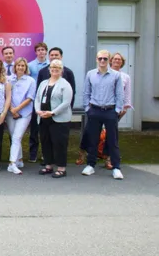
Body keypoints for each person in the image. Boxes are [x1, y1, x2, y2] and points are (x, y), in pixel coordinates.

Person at [82, 50, 124, 180]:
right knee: (92, 139)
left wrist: (117, 110)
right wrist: (87, 108)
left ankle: (116, 167)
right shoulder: (90, 74)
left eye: (105, 59)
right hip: (94, 110)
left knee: (112, 140)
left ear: (109, 60)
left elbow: (119, 94)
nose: (102, 61)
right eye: (100, 58)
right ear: (96, 59)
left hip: (110, 111)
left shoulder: (116, 75)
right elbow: (86, 92)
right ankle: (90, 165)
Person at [35, 47, 76, 163]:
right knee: (45, 142)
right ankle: (48, 165)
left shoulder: (65, 84)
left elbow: (66, 102)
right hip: (43, 118)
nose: (54, 70)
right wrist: (38, 110)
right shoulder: (44, 83)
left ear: (61, 70)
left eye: (57, 68)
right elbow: (37, 98)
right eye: (52, 68)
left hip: (58, 118)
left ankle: (61, 168)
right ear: (49, 69)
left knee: (59, 144)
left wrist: (53, 112)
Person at [6, 57, 36, 174]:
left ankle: (12, 163)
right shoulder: (9, 79)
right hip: (10, 113)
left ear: (26, 68)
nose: (20, 67)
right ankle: (19, 159)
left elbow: (30, 98)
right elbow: (6, 96)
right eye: (18, 65)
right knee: (14, 136)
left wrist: (17, 109)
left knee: (17, 137)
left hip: (24, 113)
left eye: (23, 66)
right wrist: (11, 109)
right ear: (15, 67)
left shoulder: (31, 81)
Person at [104, 52, 133, 169]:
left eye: (119, 60)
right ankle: (94, 156)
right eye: (115, 59)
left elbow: (127, 93)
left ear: (122, 62)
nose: (117, 61)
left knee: (112, 134)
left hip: (117, 110)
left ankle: (109, 158)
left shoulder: (126, 77)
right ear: (110, 61)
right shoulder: (105, 73)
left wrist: (125, 107)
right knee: (97, 133)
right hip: (103, 107)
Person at [27, 42, 49, 166]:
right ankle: (33, 153)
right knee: (34, 129)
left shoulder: (51, 65)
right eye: (39, 50)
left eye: (43, 50)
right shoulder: (30, 66)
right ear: (36, 52)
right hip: (35, 100)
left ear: (46, 52)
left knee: (45, 129)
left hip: (47, 101)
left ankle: (45, 153)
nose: (41, 52)